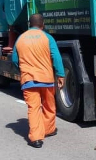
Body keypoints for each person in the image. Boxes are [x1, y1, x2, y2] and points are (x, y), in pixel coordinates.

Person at [12, 14, 65, 148]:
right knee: (49, 105)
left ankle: (36, 138)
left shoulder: (20, 38)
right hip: (46, 79)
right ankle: (49, 129)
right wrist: (60, 75)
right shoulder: (47, 37)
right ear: (43, 25)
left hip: (28, 79)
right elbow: (56, 57)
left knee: (33, 108)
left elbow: (14, 60)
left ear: (30, 24)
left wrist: (25, 69)